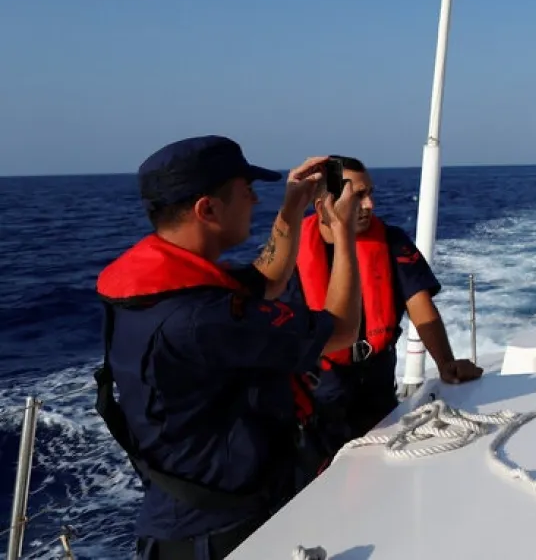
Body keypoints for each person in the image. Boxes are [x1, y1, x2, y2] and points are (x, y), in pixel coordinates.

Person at [95, 136, 364, 560]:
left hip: (190, 517)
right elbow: (345, 330)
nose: (256, 200)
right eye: (246, 191)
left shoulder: (165, 289)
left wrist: (292, 205)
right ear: (208, 209)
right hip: (220, 533)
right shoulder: (201, 318)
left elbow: (269, 278)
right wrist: (344, 233)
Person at [285, 155, 481, 453]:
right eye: (357, 196)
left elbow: (419, 304)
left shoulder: (390, 241)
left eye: (370, 194)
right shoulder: (290, 255)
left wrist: (446, 364)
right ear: (322, 206)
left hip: (376, 386)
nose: (370, 206)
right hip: (318, 394)